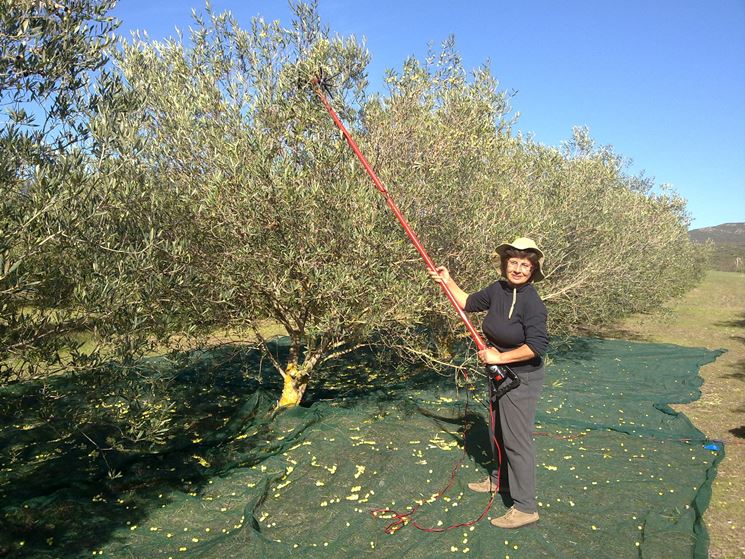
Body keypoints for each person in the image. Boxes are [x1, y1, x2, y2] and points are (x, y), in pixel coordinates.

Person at [429, 237, 548, 529]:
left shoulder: (533, 303)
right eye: (514, 262)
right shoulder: (498, 290)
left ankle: (525, 507)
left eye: (525, 265)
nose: (518, 269)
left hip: (521, 378)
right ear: (506, 264)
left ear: (532, 270)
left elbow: (537, 346)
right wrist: (448, 280)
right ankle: (500, 481)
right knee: (496, 428)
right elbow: (467, 303)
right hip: (498, 372)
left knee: (517, 440)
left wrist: (500, 356)